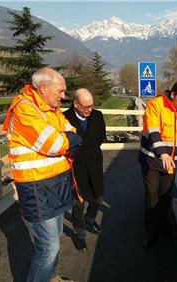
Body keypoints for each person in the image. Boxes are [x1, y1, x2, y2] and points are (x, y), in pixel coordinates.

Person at [3, 67, 81, 282]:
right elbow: (55, 144)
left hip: (56, 183)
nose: (64, 96)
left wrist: (67, 140)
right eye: (61, 91)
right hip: (36, 188)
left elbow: (72, 132)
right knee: (48, 246)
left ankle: (51, 278)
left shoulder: (50, 108)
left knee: (55, 237)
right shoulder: (25, 109)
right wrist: (67, 141)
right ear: (44, 88)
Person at [138, 80, 177, 249]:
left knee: (166, 196)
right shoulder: (156, 105)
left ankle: (165, 225)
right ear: (174, 94)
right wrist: (162, 153)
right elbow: (153, 131)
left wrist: (174, 157)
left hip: (171, 162)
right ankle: (151, 233)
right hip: (152, 160)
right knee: (152, 197)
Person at [63, 88, 106, 247]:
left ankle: (89, 219)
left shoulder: (98, 116)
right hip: (76, 168)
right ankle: (80, 234)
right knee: (78, 204)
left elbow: (101, 137)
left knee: (98, 198)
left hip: (95, 164)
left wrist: (90, 152)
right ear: (75, 104)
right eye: (85, 106)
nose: (89, 110)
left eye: (91, 106)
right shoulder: (64, 118)